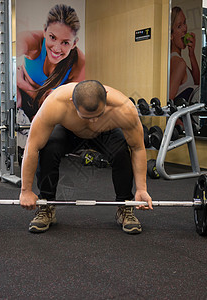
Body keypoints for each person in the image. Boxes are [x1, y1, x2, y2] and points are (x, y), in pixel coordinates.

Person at [19, 80, 153, 234]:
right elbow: (32, 146)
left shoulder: (124, 108)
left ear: (106, 97)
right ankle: (46, 206)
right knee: (49, 148)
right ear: (72, 102)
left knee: (121, 151)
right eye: (86, 117)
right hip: (69, 131)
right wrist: (26, 190)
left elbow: (137, 148)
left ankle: (125, 207)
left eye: (98, 115)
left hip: (105, 132)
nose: (93, 121)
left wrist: (142, 188)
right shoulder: (55, 103)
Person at [15, 4, 85, 153]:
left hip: (49, 107)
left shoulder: (79, 62)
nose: (57, 48)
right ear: (45, 31)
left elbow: (67, 103)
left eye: (65, 42)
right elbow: (9, 53)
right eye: (52, 37)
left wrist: (22, 83)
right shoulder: (33, 41)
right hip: (25, 102)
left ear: (74, 43)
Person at [169, 6, 200, 102]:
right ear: (171, 35)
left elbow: (197, 83)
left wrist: (191, 54)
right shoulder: (179, 63)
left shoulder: (177, 60)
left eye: (184, 23)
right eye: (179, 26)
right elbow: (167, 103)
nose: (185, 29)